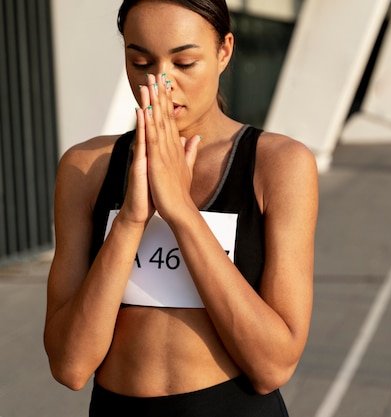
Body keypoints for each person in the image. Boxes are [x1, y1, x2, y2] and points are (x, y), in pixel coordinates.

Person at [43, 0, 318, 415]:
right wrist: (132, 220)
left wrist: (181, 213)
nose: (160, 83)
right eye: (140, 62)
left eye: (185, 62)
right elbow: (70, 366)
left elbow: (273, 366)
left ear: (224, 51)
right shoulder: (87, 169)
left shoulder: (278, 165)